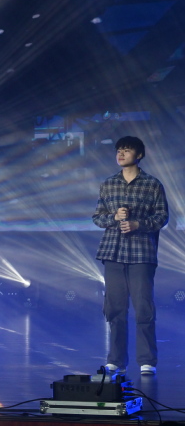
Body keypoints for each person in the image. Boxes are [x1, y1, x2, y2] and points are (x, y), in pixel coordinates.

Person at [92, 136, 168, 375]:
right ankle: (116, 360)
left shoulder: (152, 184)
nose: (121, 154)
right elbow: (97, 217)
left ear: (139, 155)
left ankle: (147, 361)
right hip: (113, 252)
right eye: (118, 150)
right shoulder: (108, 184)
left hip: (141, 253)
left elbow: (162, 217)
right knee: (115, 309)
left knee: (143, 308)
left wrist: (138, 224)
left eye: (126, 150)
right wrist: (114, 217)